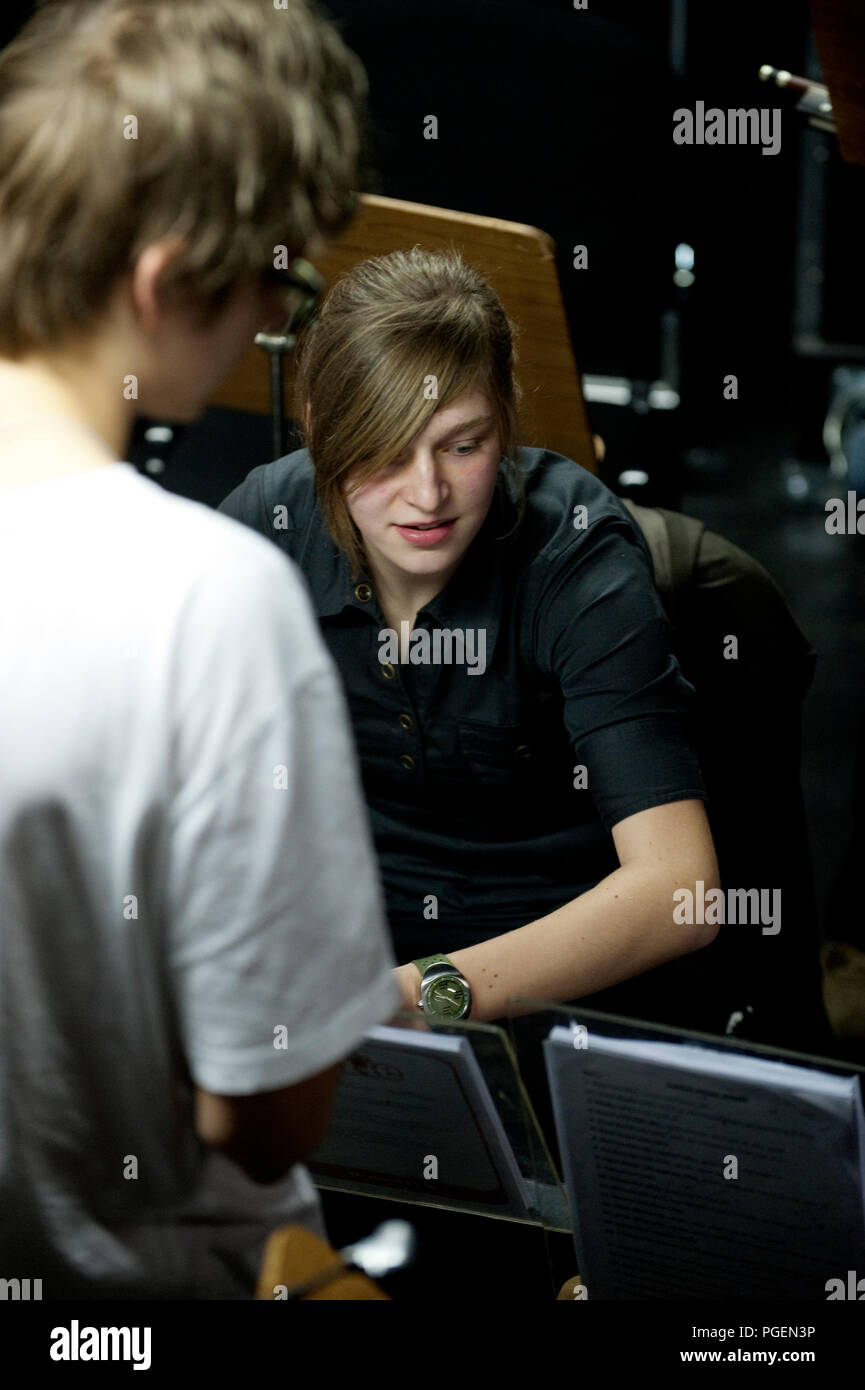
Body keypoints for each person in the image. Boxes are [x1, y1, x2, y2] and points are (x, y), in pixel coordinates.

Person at [0, 0, 397, 1298]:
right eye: (280, 278)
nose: (278, 317)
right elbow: (264, 1111)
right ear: (167, 280)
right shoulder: (208, 599)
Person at [219, 247, 721, 1026]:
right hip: (343, 953)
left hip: (560, 969)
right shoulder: (266, 520)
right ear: (317, 432)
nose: (427, 495)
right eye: (384, 450)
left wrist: (414, 998)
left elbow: (679, 894)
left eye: (463, 444)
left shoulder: (577, 554)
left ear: (508, 419)